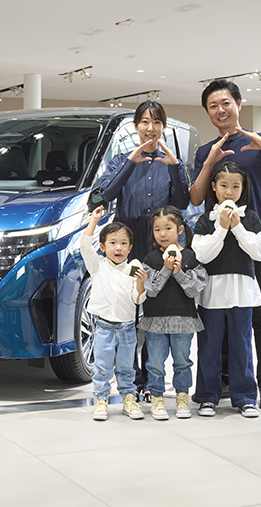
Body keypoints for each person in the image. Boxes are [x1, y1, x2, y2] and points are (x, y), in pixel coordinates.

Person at [190, 79, 261, 410]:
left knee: (260, 315)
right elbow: (195, 197)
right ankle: (226, 380)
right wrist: (209, 162)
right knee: (220, 315)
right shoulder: (205, 151)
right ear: (208, 112)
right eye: (213, 106)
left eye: (225, 103)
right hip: (216, 244)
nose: (220, 110)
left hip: (252, 242)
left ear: (238, 104)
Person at [100, 100, 190, 398]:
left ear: (163, 126)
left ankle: (151, 381)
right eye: (145, 122)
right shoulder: (120, 160)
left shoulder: (171, 161)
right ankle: (131, 380)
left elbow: (183, 202)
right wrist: (131, 162)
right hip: (128, 244)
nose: (151, 128)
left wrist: (175, 167)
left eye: (157, 122)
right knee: (129, 311)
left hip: (158, 245)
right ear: (136, 126)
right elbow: (107, 193)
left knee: (152, 312)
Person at [192, 161, 261, 418]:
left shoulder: (251, 218)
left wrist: (237, 227)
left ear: (243, 189)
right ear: (214, 187)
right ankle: (207, 397)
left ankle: (245, 398)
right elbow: (202, 254)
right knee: (209, 347)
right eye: (224, 185)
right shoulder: (206, 220)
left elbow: (260, 252)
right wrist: (221, 229)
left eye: (236, 186)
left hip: (242, 293)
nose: (229, 191)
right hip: (212, 294)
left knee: (242, 346)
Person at [79, 205, 147, 421]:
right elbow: (84, 246)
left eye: (124, 243)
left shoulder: (134, 270)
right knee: (102, 367)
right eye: (113, 243)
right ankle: (101, 400)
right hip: (104, 327)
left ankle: (129, 399)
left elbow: (138, 299)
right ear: (102, 247)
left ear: (130, 248)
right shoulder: (97, 265)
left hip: (127, 329)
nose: (119, 248)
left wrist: (141, 283)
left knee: (127, 368)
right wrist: (94, 221)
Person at [139, 206, 207, 420]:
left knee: (183, 362)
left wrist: (178, 272)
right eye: (157, 229)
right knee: (155, 364)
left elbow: (194, 290)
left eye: (167, 228)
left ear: (179, 229)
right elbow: (150, 290)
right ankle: (157, 398)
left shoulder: (191, 257)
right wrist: (166, 269)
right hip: (155, 320)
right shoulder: (150, 258)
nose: (162, 234)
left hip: (183, 320)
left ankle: (182, 397)